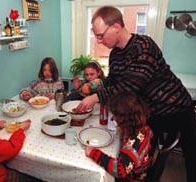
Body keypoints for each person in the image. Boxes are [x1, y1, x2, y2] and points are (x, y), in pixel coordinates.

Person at [77, 6, 196, 182]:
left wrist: (95, 97)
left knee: (192, 158)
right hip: (151, 112)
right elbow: (114, 81)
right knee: (146, 157)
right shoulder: (115, 54)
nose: (98, 41)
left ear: (116, 27)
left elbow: (129, 87)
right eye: (96, 36)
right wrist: (98, 84)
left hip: (176, 108)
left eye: (100, 35)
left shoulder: (143, 46)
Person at [85, 91, 153, 181]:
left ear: (125, 119)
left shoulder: (135, 143)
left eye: (116, 117)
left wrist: (93, 153)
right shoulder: (141, 127)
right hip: (136, 169)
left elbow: (119, 170)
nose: (113, 119)